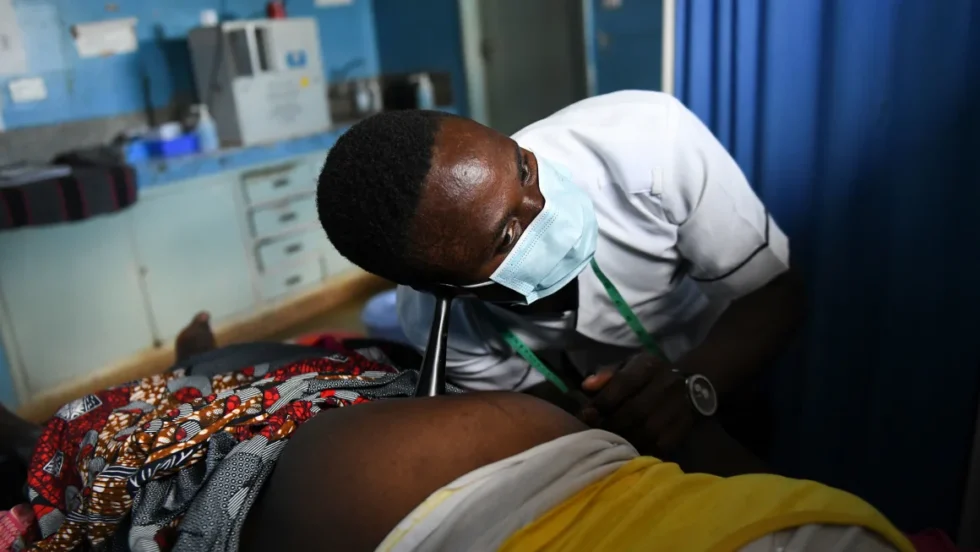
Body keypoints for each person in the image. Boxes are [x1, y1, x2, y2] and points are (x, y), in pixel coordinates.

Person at [0, 321, 912, 552]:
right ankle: (204, 361)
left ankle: (195, 367)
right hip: (530, 447)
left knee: (120, 442)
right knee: (324, 371)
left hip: (348, 483)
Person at [316, 91, 804, 461]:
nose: (544, 205)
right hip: (606, 400)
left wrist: (696, 384)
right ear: (450, 292)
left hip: (727, 349)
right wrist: (604, 418)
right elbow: (548, 409)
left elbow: (775, 293)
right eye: (507, 236)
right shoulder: (436, 323)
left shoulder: (649, 141)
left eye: (524, 169)